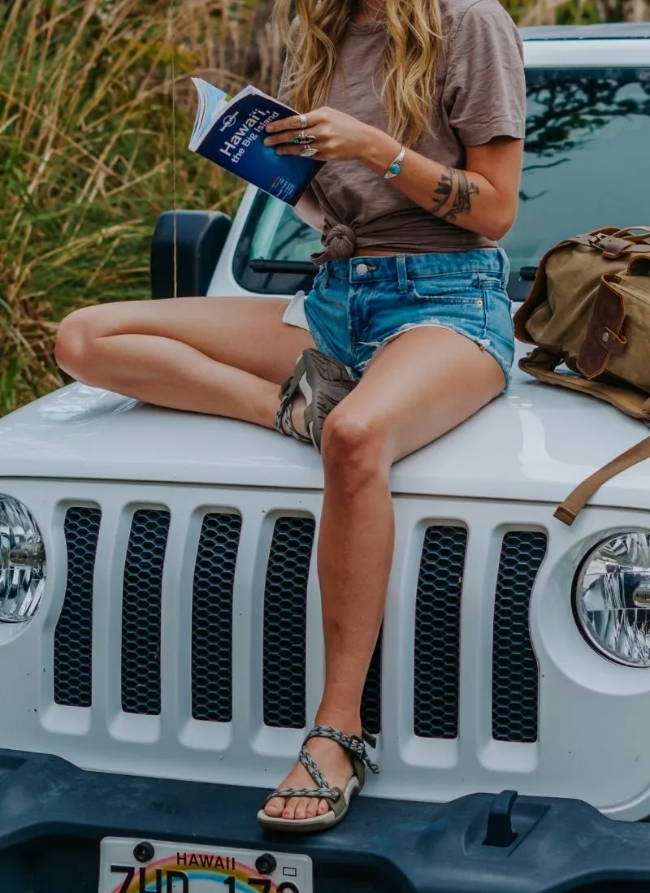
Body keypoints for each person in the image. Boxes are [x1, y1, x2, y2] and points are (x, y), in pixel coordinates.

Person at [53, 0, 526, 834]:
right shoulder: (323, 30)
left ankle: (336, 730)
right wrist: (277, 174)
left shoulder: (472, 21)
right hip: (334, 300)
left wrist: (374, 148)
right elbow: (334, 215)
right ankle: (287, 410)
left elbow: (493, 212)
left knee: (356, 435)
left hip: (449, 304)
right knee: (86, 337)